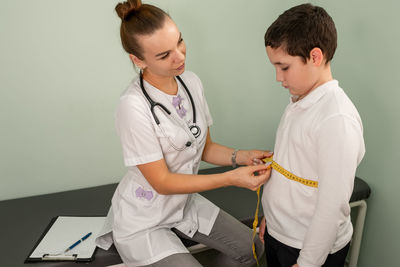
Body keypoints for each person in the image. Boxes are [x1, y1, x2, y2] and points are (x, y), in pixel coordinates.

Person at [95, 1, 272, 266]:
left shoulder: (191, 83)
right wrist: (231, 178)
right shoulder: (132, 107)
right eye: (164, 55)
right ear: (138, 60)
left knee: (253, 249)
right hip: (145, 218)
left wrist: (242, 157)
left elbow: (205, 147)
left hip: (183, 203)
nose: (179, 56)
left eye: (180, 42)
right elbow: (162, 182)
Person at [258, 3, 365, 267]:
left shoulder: (336, 119)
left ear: (315, 57)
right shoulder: (299, 100)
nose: (277, 77)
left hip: (308, 249)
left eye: (284, 67)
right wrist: (270, 218)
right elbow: (289, 170)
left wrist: (308, 263)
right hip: (280, 233)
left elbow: (332, 206)